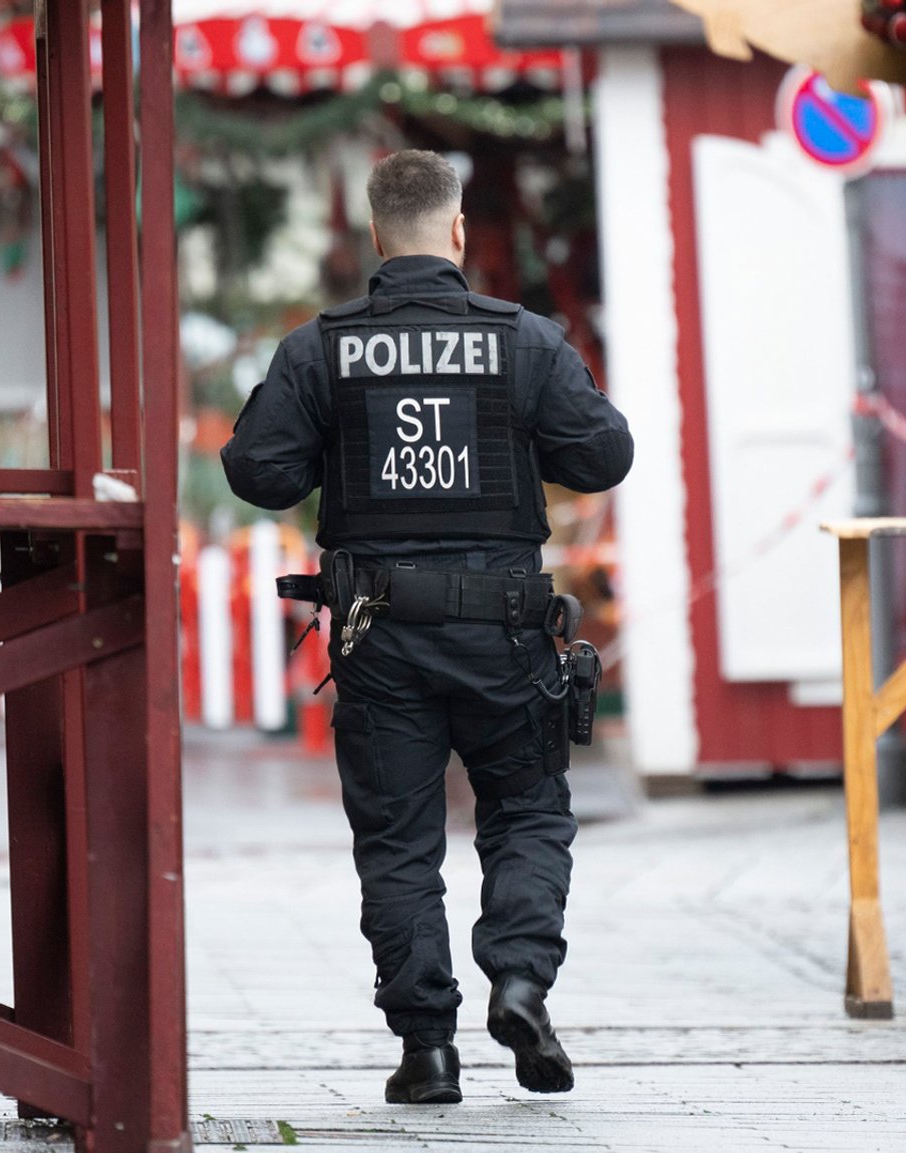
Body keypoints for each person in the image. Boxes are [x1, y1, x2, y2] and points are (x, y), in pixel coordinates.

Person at [222, 150, 633, 1103]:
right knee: (527, 812)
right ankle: (522, 979)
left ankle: (428, 1051)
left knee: (399, 842)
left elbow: (258, 473)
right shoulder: (524, 340)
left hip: (381, 637)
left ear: (374, 236)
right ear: (455, 233)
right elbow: (604, 454)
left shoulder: (318, 348)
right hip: (507, 633)